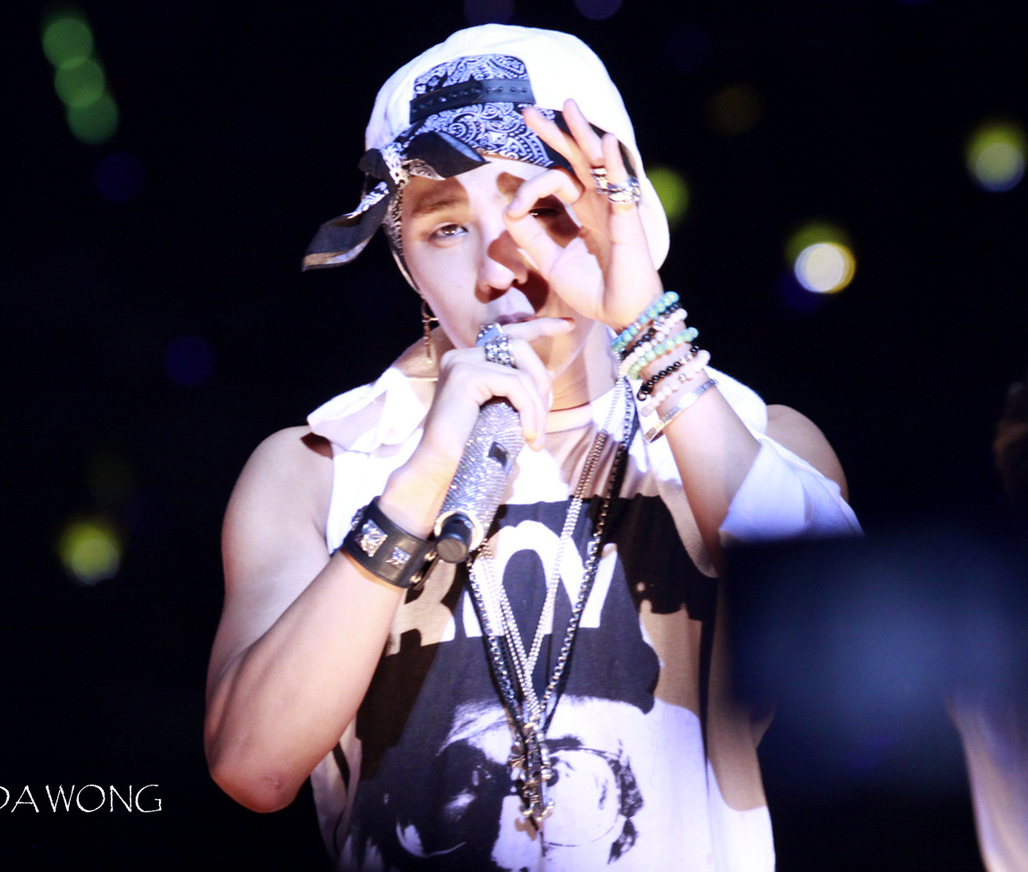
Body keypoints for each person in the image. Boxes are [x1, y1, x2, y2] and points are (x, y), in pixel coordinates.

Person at [205, 24, 860, 871]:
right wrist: (420, 481)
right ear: (406, 263)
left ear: (622, 211)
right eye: (447, 228)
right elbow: (253, 766)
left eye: (544, 209)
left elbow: (853, 671)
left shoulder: (755, 438)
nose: (500, 267)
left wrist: (647, 331)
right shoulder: (321, 466)